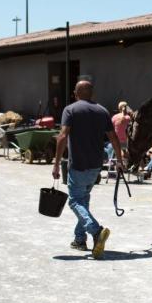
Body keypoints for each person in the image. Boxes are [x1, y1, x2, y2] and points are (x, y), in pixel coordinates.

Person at [52, 81, 125, 259]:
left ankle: (96, 231)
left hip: (78, 165)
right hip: (95, 166)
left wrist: (55, 163)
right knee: (83, 200)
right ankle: (79, 239)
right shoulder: (103, 111)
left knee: (75, 202)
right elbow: (113, 137)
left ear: (76, 93)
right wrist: (119, 159)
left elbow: (62, 136)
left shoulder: (70, 110)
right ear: (92, 93)